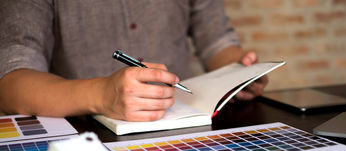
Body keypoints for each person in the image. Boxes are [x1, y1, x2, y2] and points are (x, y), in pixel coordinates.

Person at [0, 1, 268, 121]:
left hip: (180, 128)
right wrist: (103, 94)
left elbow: (217, 41)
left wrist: (239, 70)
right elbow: (11, 83)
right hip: (87, 139)